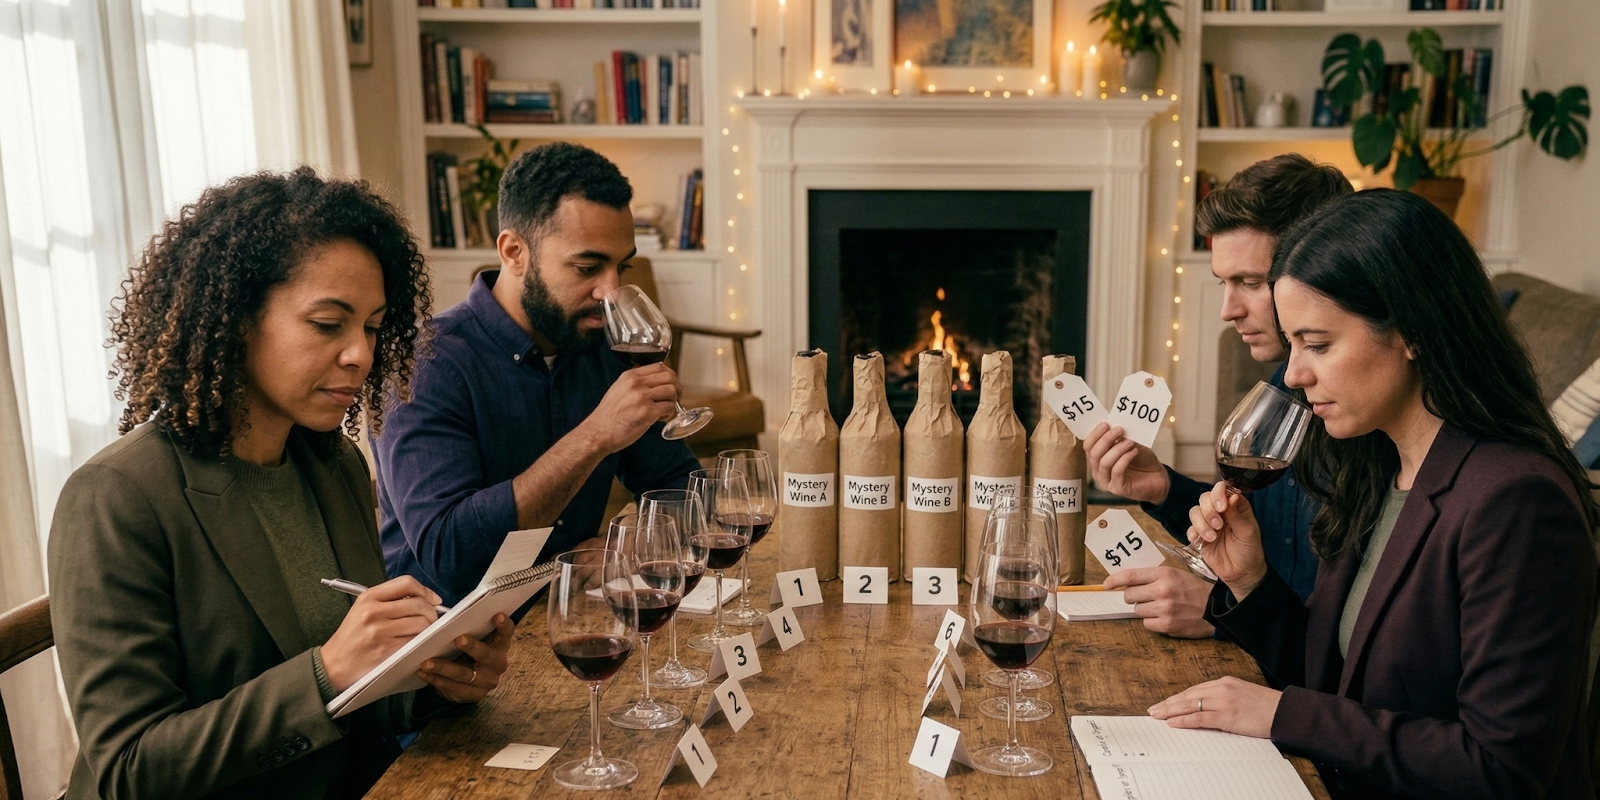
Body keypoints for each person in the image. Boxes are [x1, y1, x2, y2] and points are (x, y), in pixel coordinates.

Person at [48, 169, 514, 800]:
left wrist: (433, 680)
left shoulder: (332, 465)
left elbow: (357, 698)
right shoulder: (116, 497)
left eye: (373, 327)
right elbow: (130, 769)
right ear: (235, 319)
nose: (361, 355)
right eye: (328, 324)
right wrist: (326, 673)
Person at [1149, 189, 1599, 799]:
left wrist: (1281, 714)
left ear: (1412, 330)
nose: (1294, 373)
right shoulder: (1379, 466)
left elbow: (1502, 768)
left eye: (1319, 344)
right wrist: (1251, 583)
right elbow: (1338, 680)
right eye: (1293, 342)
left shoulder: (1516, 503)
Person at [373, 142, 700, 607]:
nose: (611, 291)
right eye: (587, 267)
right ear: (514, 252)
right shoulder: (425, 364)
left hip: (576, 616)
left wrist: (626, 540)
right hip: (450, 646)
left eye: (620, 266)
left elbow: (681, 488)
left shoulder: (603, 347)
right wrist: (595, 437)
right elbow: (451, 554)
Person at [1084, 154, 1351, 638]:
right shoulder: (1278, 388)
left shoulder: (1361, 420)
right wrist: (1163, 488)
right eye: (1224, 283)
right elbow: (1260, 536)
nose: (1228, 310)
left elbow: (1340, 643)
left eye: (1249, 282)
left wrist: (1219, 611)